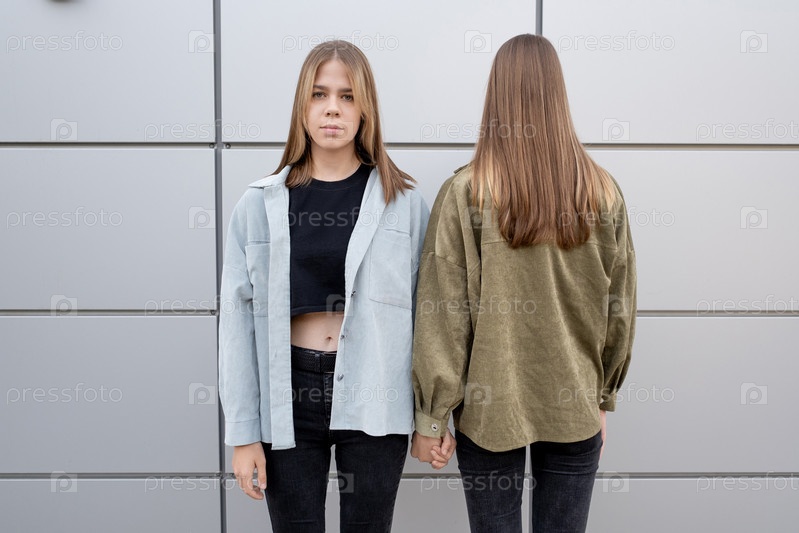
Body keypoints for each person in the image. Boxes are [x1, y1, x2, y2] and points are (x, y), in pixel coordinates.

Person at [410, 34, 637, 533]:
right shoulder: (602, 193)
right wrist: (602, 396)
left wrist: (433, 416)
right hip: (574, 403)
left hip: (490, 411)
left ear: (497, 97)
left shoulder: (466, 192)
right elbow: (619, 307)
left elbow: (443, 316)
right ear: (558, 95)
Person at [218, 39, 429, 533]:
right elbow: (236, 325)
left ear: (365, 109)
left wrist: (431, 417)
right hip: (288, 393)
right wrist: (244, 434)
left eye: (347, 96)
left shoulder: (404, 203)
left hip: (376, 389)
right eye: (319, 94)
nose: (332, 108)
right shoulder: (258, 204)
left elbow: (429, 317)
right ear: (302, 105)